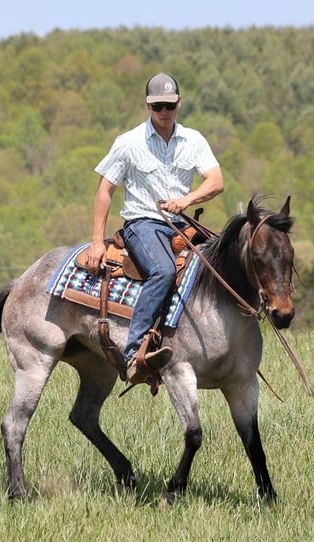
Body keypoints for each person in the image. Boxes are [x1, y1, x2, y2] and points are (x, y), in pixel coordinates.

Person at [85, 72, 224, 384]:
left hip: (181, 225)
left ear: (179, 104)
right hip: (142, 223)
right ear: (148, 106)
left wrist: (187, 200)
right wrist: (96, 242)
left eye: (169, 105)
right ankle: (134, 353)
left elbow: (216, 182)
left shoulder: (194, 140)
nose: (164, 112)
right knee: (163, 270)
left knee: (218, 265)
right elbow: (104, 191)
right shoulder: (128, 143)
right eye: (157, 106)